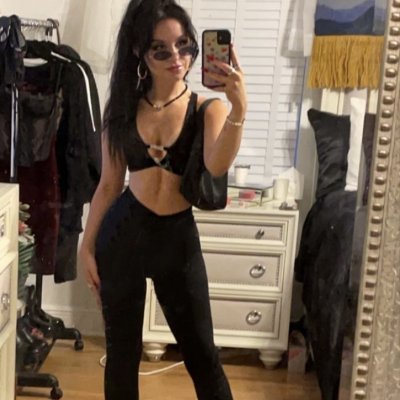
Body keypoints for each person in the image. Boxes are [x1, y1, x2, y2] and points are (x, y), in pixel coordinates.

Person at [79, 0, 247, 399]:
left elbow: (217, 165)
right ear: (139, 51)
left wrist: (239, 107)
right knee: (122, 356)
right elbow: (109, 185)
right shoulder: (122, 110)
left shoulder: (208, 109)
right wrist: (86, 246)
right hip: (123, 235)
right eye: (162, 49)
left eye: (185, 45)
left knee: (202, 356)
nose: (177, 57)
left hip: (177, 240)